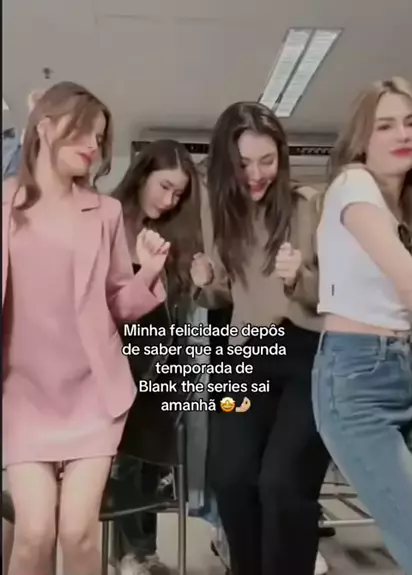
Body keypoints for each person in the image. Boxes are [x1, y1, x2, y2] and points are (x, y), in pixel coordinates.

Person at [2, 81, 169, 575]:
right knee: (33, 534)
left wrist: (148, 274)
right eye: (83, 134)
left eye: (99, 137)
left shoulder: (106, 212)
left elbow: (117, 304)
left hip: (93, 394)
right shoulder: (4, 204)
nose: (93, 147)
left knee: (78, 533)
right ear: (45, 127)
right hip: (22, 395)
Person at [190, 101, 330, 575]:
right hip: (246, 352)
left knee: (281, 484)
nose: (255, 175)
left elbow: (336, 292)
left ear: (282, 157)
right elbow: (222, 294)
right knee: (231, 478)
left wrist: (299, 278)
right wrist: (204, 282)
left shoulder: (308, 205)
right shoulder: (219, 212)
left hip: (306, 352)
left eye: (266, 161)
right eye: (243, 163)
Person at [312, 76, 412, 573]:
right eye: (385, 125)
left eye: (410, 122)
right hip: (358, 378)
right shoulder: (354, 185)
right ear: (362, 140)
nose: (402, 134)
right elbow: (406, 277)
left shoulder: (402, 201)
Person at [111, 139, 202, 575]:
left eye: (178, 194)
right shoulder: (108, 220)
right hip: (114, 359)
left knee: (148, 463)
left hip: (162, 363)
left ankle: (140, 553)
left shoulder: (175, 235)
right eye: (164, 187)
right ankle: (132, 553)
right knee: (121, 462)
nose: (169, 201)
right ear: (142, 173)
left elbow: (177, 309)